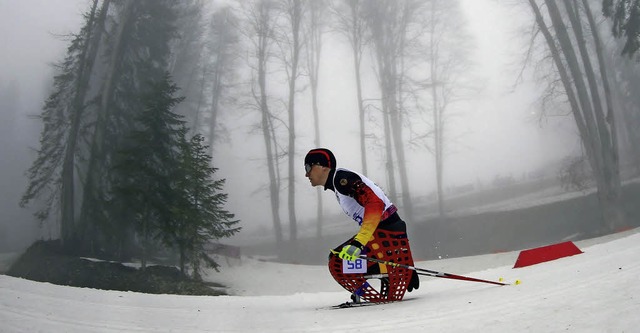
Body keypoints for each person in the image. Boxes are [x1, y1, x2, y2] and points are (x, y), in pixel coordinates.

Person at [304, 148, 419, 304]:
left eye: (308, 168)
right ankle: (391, 272)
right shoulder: (338, 184)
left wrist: (359, 242)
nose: (306, 174)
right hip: (385, 235)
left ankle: (387, 280)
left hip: (386, 235)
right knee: (338, 258)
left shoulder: (341, 179)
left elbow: (375, 203)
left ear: (322, 166)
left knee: (338, 263)